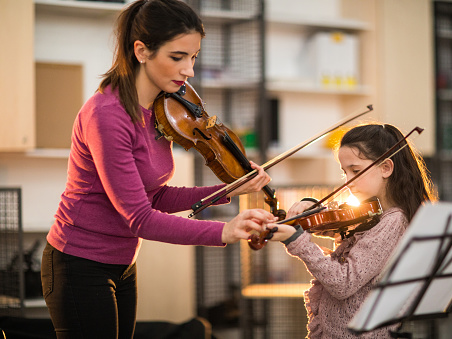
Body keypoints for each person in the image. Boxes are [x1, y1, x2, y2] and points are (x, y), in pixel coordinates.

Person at [40, 1, 277, 338]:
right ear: (141, 51)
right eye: (177, 57)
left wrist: (227, 190)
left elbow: (156, 196)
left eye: (193, 57)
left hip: (122, 263)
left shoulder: (160, 110)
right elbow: (139, 217)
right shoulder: (107, 115)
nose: (189, 70)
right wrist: (223, 232)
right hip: (78, 264)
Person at [266, 123, 438, 338]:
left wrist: (298, 241)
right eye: (344, 172)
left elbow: (343, 282)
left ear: (386, 168)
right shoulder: (374, 215)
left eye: (355, 171)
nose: (347, 181)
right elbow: (341, 233)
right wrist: (311, 210)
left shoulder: (393, 222)